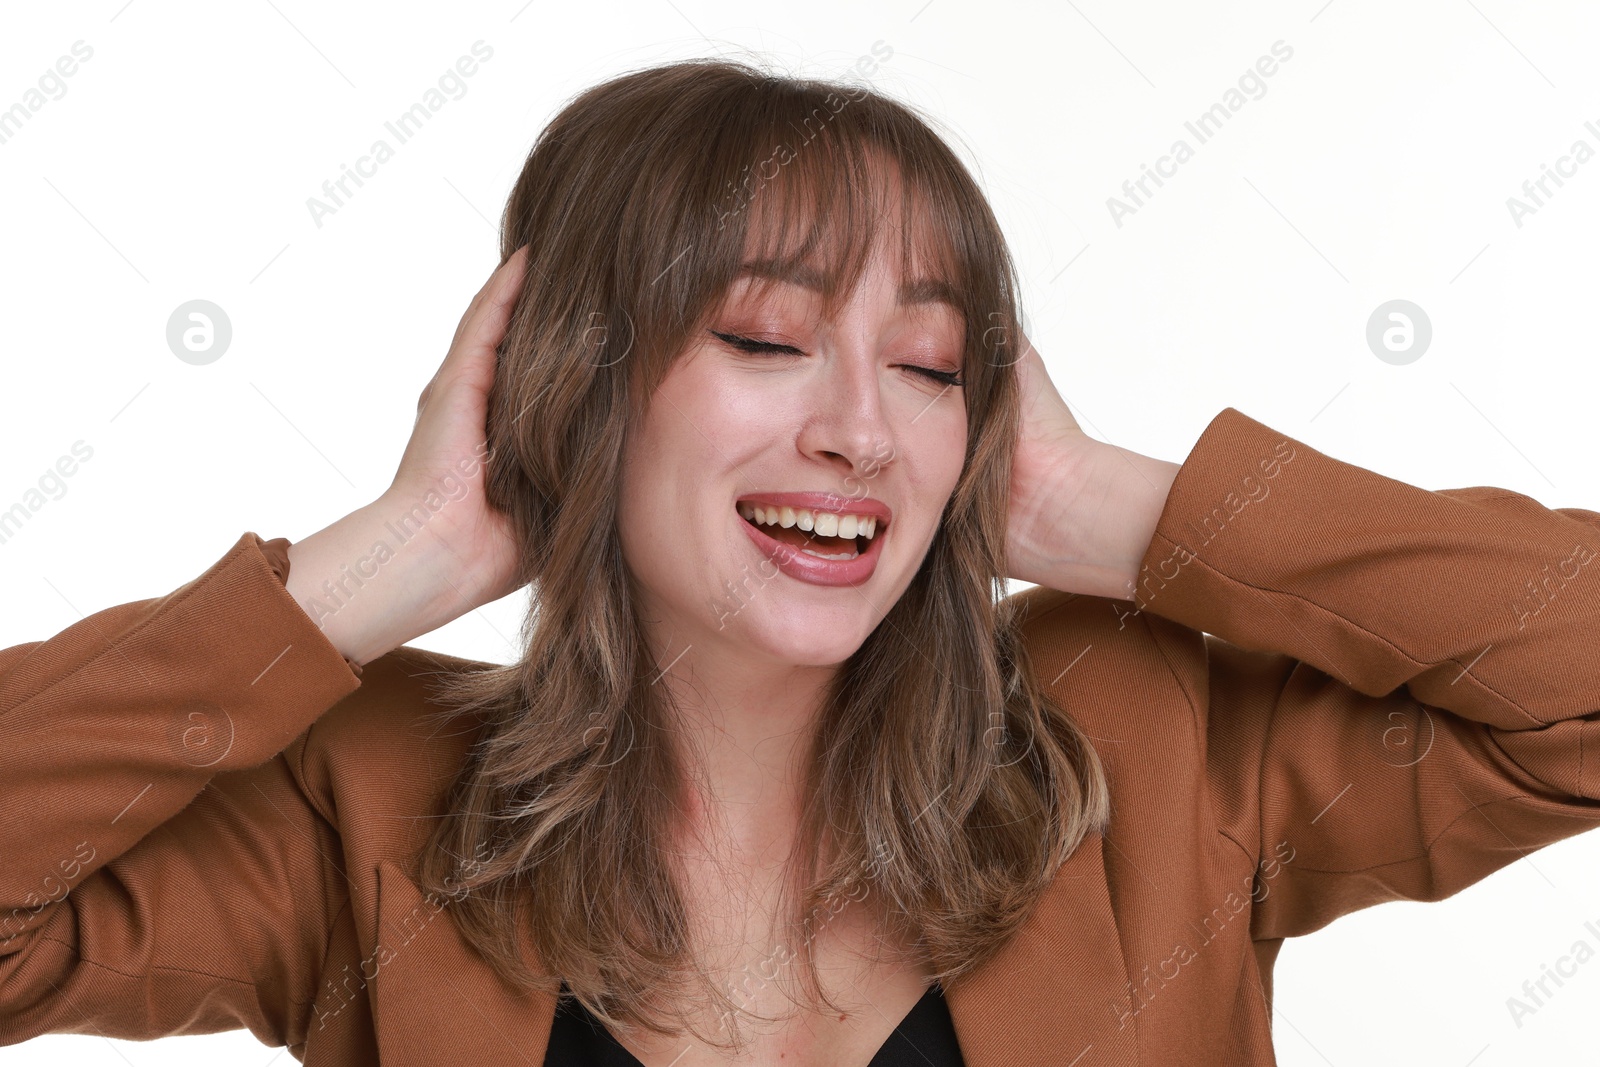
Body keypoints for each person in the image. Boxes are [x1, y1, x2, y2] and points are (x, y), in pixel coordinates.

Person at [3, 56, 1598, 1067]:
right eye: (767, 336)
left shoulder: (1150, 741)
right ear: (577, 376)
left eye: (927, 365)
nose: (865, 429)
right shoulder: (357, 801)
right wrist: (401, 556)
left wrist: (1105, 505)